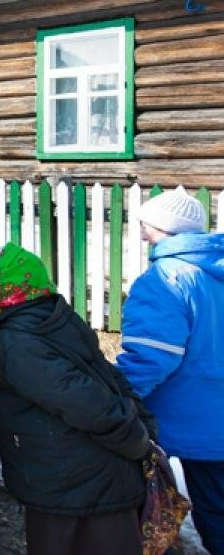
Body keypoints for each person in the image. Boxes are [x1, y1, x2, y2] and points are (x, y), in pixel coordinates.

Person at [0, 243, 153, 555]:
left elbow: (84, 401)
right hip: (91, 477)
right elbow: (107, 378)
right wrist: (139, 425)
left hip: (74, 489)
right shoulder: (54, 318)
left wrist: (136, 438)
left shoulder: (17, 342)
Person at [117, 187, 224, 555]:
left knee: (218, 518)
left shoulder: (166, 279)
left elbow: (152, 357)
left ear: (162, 228)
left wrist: (117, 395)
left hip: (199, 426)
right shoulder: (215, 272)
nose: (143, 234)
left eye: (145, 225)